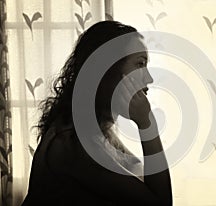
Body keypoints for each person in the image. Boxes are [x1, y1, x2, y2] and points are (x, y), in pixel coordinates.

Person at [21, 21, 172, 206]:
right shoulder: (72, 144)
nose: (148, 78)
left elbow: (145, 181)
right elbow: (160, 203)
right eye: (140, 64)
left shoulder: (98, 132)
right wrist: (147, 124)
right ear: (107, 70)